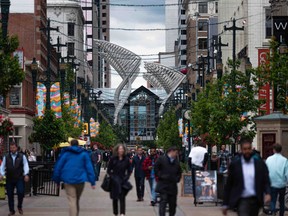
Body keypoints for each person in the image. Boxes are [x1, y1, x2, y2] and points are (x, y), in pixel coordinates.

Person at [222, 138, 271, 216]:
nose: (247, 151)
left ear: (251, 149)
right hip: (242, 200)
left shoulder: (259, 163)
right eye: (245, 149)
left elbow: (265, 179)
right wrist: (225, 204)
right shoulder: (235, 164)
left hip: (255, 199)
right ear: (241, 150)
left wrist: (268, 193)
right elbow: (229, 184)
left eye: (249, 149)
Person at [53, 139, 96, 216]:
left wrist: (57, 180)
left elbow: (58, 167)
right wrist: (92, 181)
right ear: (78, 145)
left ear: (70, 145)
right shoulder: (83, 154)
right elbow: (89, 167)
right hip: (80, 180)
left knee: (72, 199)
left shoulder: (65, 154)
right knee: (76, 200)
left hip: (68, 180)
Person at [0, 142, 29, 216]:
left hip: (19, 178)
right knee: (10, 195)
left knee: (20, 192)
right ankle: (12, 210)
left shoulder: (22, 156)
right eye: (11, 148)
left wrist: (26, 174)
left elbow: (25, 165)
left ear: (16, 148)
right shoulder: (6, 156)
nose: (12, 149)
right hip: (9, 178)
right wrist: (1, 174)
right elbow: (2, 166)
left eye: (13, 147)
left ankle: (19, 206)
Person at [155, 146, 182, 216]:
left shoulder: (176, 162)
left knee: (172, 205)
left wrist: (177, 179)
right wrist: (161, 176)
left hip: (172, 187)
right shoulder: (161, 159)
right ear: (171, 151)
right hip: (163, 185)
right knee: (163, 202)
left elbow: (179, 172)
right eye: (176, 153)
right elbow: (156, 169)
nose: (176, 154)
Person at [108, 144, 132, 216]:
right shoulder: (113, 159)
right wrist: (112, 176)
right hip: (114, 181)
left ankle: (122, 213)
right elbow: (109, 170)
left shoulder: (126, 159)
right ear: (117, 150)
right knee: (115, 198)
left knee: (122, 197)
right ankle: (115, 213)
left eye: (122, 149)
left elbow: (129, 170)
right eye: (119, 149)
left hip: (122, 180)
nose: (121, 150)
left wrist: (127, 177)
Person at [266, 143, 288, 216]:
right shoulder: (285, 160)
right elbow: (287, 173)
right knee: (282, 201)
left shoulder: (269, 159)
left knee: (273, 201)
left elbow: (266, 171)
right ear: (281, 150)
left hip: (272, 183)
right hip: (282, 184)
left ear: (273, 150)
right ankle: (281, 214)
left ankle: (273, 212)